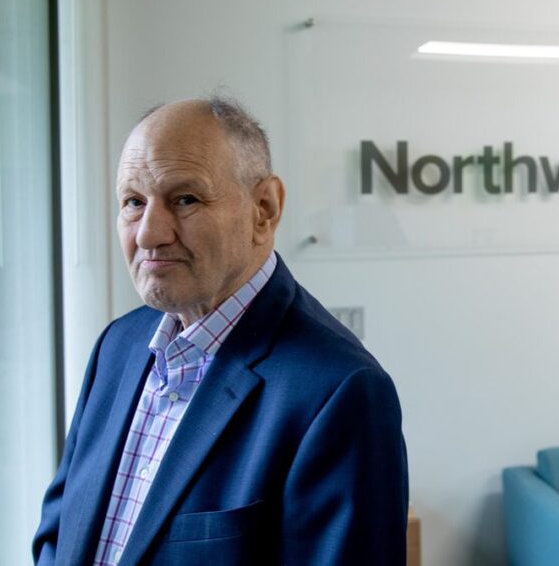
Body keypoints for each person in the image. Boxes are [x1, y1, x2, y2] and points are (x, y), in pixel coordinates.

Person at [32, 97, 409, 565]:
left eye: (185, 199)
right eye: (133, 202)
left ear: (264, 210)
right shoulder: (117, 346)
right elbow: (59, 532)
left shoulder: (338, 392)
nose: (149, 234)